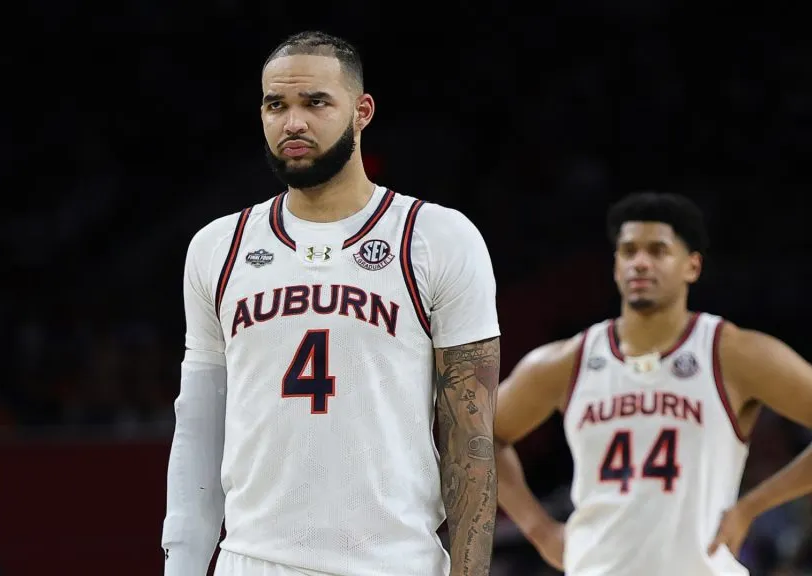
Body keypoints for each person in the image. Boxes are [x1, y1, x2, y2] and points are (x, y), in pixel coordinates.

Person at [161, 31, 502, 576]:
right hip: (253, 562)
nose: (293, 122)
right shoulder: (218, 247)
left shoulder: (437, 237)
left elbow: (471, 444)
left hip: (395, 562)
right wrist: (181, 564)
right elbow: (199, 429)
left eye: (316, 102)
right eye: (277, 105)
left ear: (362, 111)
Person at [494, 191, 812, 575]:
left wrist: (752, 506)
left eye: (658, 251)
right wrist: (539, 529)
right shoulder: (567, 362)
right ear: (615, 266)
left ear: (691, 266)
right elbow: (480, 438)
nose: (640, 263)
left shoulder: (733, 353)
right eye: (628, 251)